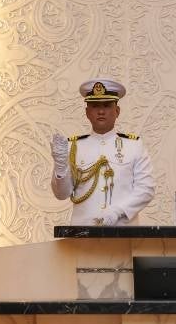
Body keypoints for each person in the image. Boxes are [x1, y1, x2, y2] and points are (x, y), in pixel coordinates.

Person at [51, 78, 156, 226]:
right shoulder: (73, 147)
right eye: (95, 106)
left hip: (123, 230)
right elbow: (62, 195)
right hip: (83, 232)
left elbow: (146, 189)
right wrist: (60, 167)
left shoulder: (134, 145)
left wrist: (118, 212)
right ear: (87, 112)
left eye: (107, 105)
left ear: (117, 111)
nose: (101, 111)